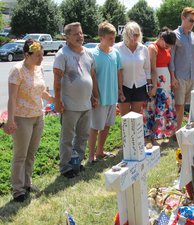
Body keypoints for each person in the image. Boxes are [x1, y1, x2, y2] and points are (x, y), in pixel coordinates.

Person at [5, 39, 54, 202]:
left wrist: (55, 101)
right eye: (38, 55)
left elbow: (41, 92)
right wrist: (10, 120)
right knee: (20, 155)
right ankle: (18, 190)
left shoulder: (39, 68)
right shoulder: (17, 70)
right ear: (27, 55)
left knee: (31, 153)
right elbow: (11, 98)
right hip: (22, 119)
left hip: (38, 116)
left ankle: (27, 183)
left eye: (42, 54)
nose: (42, 58)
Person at [53, 22, 99, 178]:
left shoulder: (88, 53)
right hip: (69, 106)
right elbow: (57, 81)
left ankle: (77, 163)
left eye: (81, 33)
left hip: (86, 104)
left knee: (82, 136)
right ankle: (65, 168)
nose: (80, 36)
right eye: (75, 34)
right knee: (67, 138)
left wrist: (95, 96)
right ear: (67, 37)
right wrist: (57, 102)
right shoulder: (62, 54)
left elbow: (92, 76)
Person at [88, 21, 124, 162]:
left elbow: (119, 72)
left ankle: (100, 151)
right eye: (110, 38)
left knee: (107, 125)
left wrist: (120, 90)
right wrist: (94, 96)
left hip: (112, 96)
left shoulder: (115, 52)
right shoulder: (92, 54)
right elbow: (91, 76)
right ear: (101, 37)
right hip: (99, 98)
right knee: (95, 127)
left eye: (114, 38)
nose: (113, 41)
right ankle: (91, 156)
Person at [143, 27, 177, 142]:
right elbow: (152, 69)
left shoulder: (166, 48)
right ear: (161, 38)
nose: (169, 48)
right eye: (167, 45)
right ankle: (151, 135)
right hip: (157, 81)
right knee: (155, 108)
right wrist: (154, 86)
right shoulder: (153, 47)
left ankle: (159, 133)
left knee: (163, 108)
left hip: (165, 82)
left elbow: (168, 65)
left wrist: (172, 79)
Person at [170, 7, 194, 131]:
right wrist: (173, 77)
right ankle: (176, 132)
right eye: (191, 20)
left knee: (187, 105)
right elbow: (170, 58)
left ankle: (180, 130)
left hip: (191, 77)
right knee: (179, 105)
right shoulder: (174, 35)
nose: (193, 23)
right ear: (183, 18)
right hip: (179, 76)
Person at [114, 21, 151, 116]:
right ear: (125, 34)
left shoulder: (144, 49)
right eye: (130, 34)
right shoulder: (117, 48)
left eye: (136, 35)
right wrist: (118, 88)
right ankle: (124, 132)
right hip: (123, 86)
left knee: (136, 117)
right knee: (125, 118)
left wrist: (150, 86)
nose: (133, 37)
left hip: (140, 86)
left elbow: (147, 69)